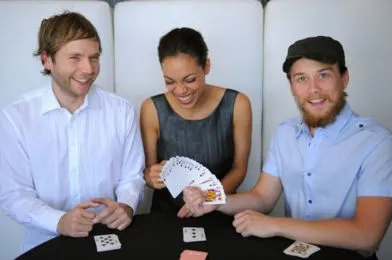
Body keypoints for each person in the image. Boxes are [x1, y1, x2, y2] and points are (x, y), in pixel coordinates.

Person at [183, 36, 392, 258]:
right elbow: (262, 197)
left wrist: (275, 225)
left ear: (344, 79)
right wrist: (215, 200)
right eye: (301, 78)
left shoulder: (379, 143)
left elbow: (367, 236)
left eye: (323, 75)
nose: (313, 89)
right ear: (292, 86)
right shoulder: (285, 132)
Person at [0, 11, 145, 252]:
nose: (88, 69)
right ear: (47, 60)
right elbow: (14, 194)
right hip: (44, 245)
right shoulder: (16, 118)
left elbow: (131, 176)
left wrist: (126, 206)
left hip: (111, 240)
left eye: (94, 57)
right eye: (75, 58)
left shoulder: (122, 111)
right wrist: (59, 221)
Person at [140, 27, 252, 216]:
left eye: (190, 80)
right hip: (167, 216)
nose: (180, 90)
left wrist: (208, 199)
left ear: (206, 66)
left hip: (221, 211)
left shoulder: (237, 104)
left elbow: (239, 168)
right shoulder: (152, 108)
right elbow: (148, 172)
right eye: (170, 81)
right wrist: (152, 177)